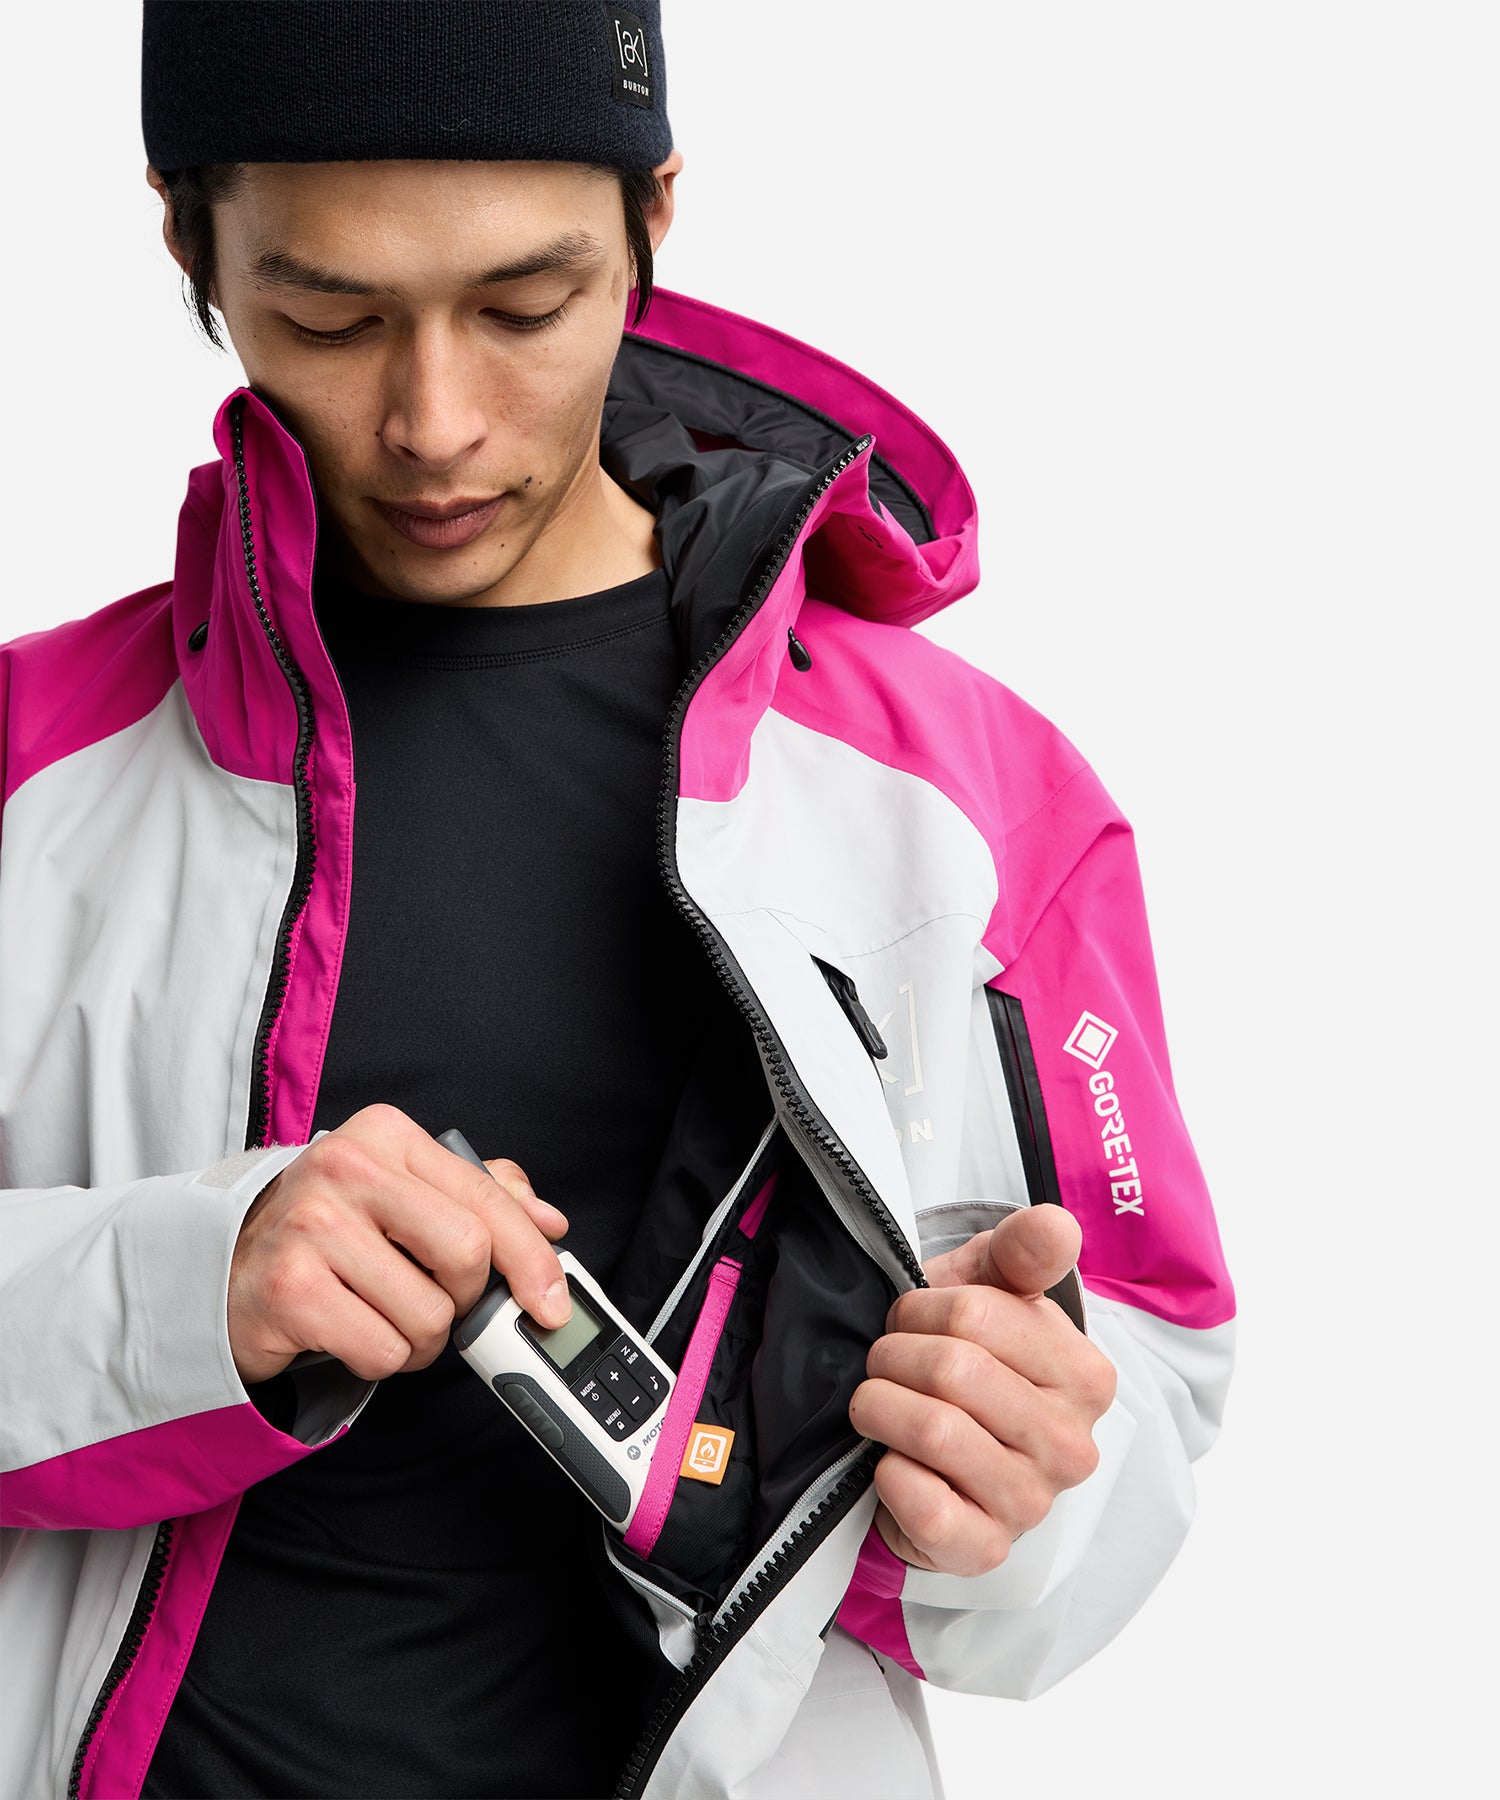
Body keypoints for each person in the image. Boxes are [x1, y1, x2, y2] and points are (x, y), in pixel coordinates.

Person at [0, 5, 1236, 1797]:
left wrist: (1018, 1497)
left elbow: (1152, 1402)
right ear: (187, 239)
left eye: (526, 306)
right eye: (330, 319)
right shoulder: (33, 767)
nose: (435, 423)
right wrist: (194, 1286)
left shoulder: (967, 805)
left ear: (654, 216)